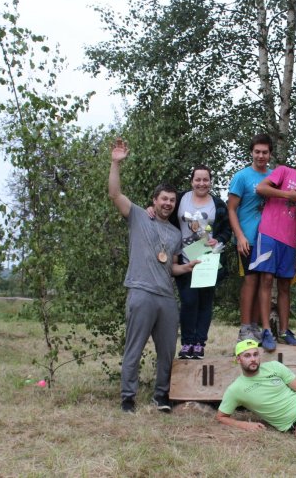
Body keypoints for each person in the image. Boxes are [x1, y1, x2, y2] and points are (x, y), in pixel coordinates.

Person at [108, 138, 199, 413]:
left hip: (166, 297)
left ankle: (161, 396)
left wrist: (187, 268)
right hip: (141, 292)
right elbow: (115, 194)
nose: (168, 203)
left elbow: (171, 267)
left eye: (172, 200)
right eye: (164, 199)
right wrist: (115, 163)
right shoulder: (138, 216)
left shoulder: (175, 233)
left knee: (167, 351)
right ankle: (128, 398)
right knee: (134, 348)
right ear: (154, 201)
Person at [252, 142, 296, 351]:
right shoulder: (283, 171)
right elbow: (261, 188)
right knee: (266, 279)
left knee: (284, 285)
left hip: (290, 240)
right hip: (269, 233)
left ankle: (284, 331)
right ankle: (266, 330)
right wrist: (287, 195)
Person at [164, 165, 231, 360]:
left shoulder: (218, 204)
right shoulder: (180, 199)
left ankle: (199, 344)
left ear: (210, 182)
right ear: (191, 181)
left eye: (205, 180)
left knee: (204, 304)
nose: (202, 183)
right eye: (198, 179)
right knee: (188, 302)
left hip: (208, 262)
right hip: (184, 259)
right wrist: (151, 209)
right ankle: (187, 343)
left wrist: (218, 239)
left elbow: (227, 230)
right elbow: (163, 208)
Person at [227, 134, 272, 343]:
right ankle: (245, 328)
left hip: (268, 238)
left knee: (265, 282)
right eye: (257, 152)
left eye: (265, 152)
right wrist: (239, 236)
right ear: (251, 153)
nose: (261, 156)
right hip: (248, 239)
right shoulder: (242, 177)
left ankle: (256, 326)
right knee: (250, 280)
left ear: (270, 154)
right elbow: (231, 209)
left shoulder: (274, 176)